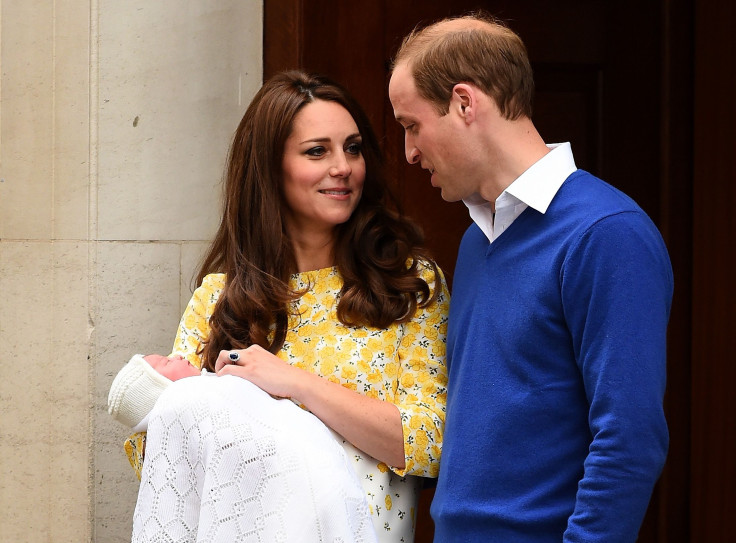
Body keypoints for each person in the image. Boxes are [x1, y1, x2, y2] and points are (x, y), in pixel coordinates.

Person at [120, 70, 450, 543]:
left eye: (353, 148)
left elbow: (430, 441)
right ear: (270, 168)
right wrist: (164, 399)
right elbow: (169, 461)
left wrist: (292, 383)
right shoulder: (219, 297)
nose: (343, 167)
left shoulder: (407, 284)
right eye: (317, 151)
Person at [388, 13, 673, 543]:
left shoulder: (606, 233)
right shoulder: (478, 240)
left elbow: (630, 440)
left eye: (412, 125)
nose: (408, 152)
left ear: (464, 103)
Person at [109, 354, 376, 542]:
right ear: (159, 389)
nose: (178, 354)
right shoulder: (181, 403)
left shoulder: (217, 386)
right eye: (166, 362)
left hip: (319, 469)